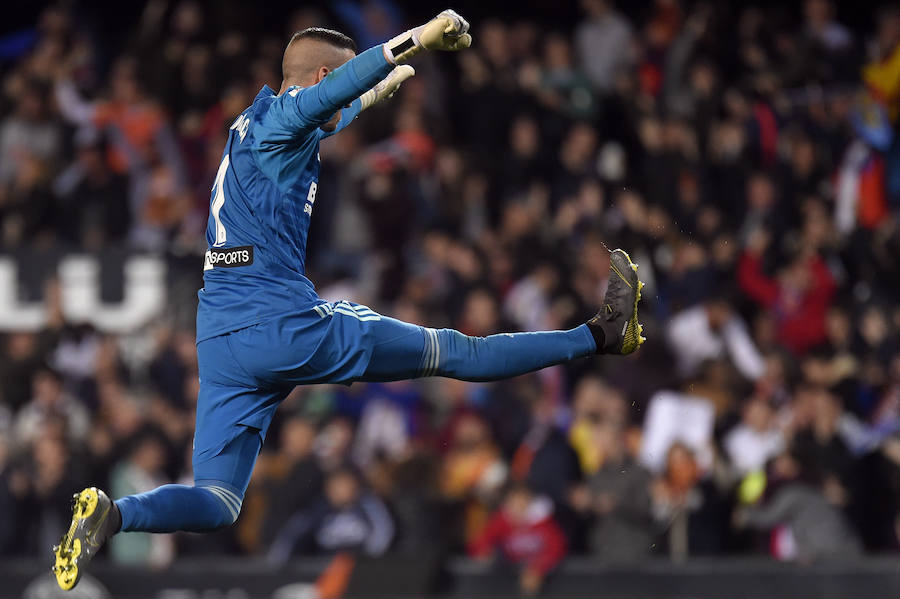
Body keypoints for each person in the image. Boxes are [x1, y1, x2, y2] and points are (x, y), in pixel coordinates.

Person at [53, 10, 644, 590]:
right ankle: (599, 335)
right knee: (453, 352)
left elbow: (328, 107)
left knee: (218, 500)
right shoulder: (286, 116)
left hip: (222, 336)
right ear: (314, 83)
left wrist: (374, 94)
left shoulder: (252, 126)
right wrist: (413, 41)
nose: (336, 105)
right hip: (279, 322)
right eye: (332, 89)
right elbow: (323, 98)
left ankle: (117, 513)